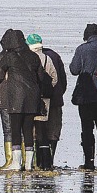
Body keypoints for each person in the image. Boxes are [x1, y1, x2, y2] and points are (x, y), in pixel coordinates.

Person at [0, 29, 42, 171]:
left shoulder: (10, 56)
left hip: (16, 97)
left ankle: (16, 163)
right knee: (28, 130)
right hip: (33, 96)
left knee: (15, 130)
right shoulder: (33, 56)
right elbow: (41, 77)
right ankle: (29, 164)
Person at [70, 23, 97, 170]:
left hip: (85, 96)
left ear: (86, 35)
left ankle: (89, 161)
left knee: (87, 129)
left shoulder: (82, 49)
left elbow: (74, 70)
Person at [28, 34, 67, 170]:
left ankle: (35, 162)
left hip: (32, 101)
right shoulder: (53, 57)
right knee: (52, 131)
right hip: (54, 99)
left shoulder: (25, 57)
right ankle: (49, 160)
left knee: (35, 131)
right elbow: (59, 79)